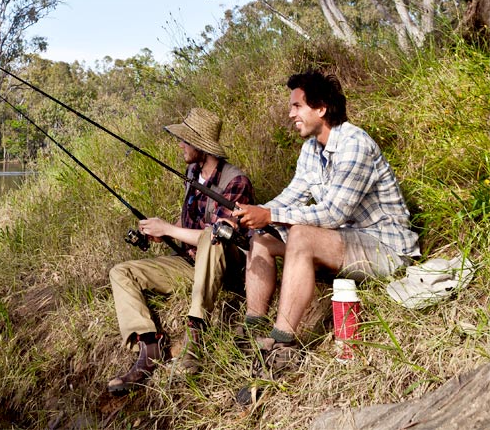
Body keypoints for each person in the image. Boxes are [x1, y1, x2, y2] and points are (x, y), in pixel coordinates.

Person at [230, 70, 420, 403]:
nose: (291, 114)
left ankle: (282, 346)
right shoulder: (310, 150)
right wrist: (255, 214)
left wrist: (272, 215)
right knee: (261, 236)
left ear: (321, 108)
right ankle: (253, 329)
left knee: (301, 235)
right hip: (346, 241)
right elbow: (292, 196)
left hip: (386, 248)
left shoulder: (355, 144)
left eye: (297, 106)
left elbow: (334, 213)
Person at [107, 107, 255, 395]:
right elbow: (191, 224)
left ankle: (195, 338)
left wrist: (170, 230)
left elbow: (219, 235)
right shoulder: (192, 173)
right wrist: (161, 232)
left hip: (222, 269)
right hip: (188, 264)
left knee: (213, 237)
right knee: (121, 272)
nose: (180, 145)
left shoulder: (236, 182)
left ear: (200, 145)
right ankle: (149, 348)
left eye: (185, 140)